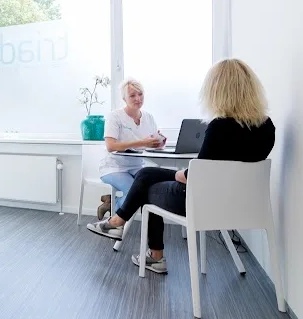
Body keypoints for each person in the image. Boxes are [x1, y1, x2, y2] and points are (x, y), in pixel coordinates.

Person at [91, 59, 275, 275]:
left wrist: (181, 174)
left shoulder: (220, 127)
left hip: (198, 201)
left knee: (145, 183)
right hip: (238, 202)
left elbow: (194, 178)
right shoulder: (267, 126)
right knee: (146, 173)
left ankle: (144, 246)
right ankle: (118, 223)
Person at [87, 78, 166, 238]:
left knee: (150, 188)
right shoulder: (115, 116)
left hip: (137, 166)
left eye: (140, 94)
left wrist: (158, 142)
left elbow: (150, 142)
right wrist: (142, 142)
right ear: (124, 98)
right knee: (133, 191)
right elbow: (111, 146)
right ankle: (114, 224)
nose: (138, 98)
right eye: (132, 95)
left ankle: (113, 205)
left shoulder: (149, 117)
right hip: (114, 167)